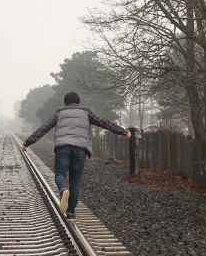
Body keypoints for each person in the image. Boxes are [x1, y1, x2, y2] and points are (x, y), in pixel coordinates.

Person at [22, 92, 131, 222]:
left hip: (63, 148)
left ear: (65, 103)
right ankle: (71, 212)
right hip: (80, 148)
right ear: (78, 102)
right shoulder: (86, 112)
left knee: (60, 174)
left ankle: (63, 190)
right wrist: (123, 131)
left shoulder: (59, 113)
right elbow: (104, 122)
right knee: (76, 179)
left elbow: (44, 128)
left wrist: (28, 142)